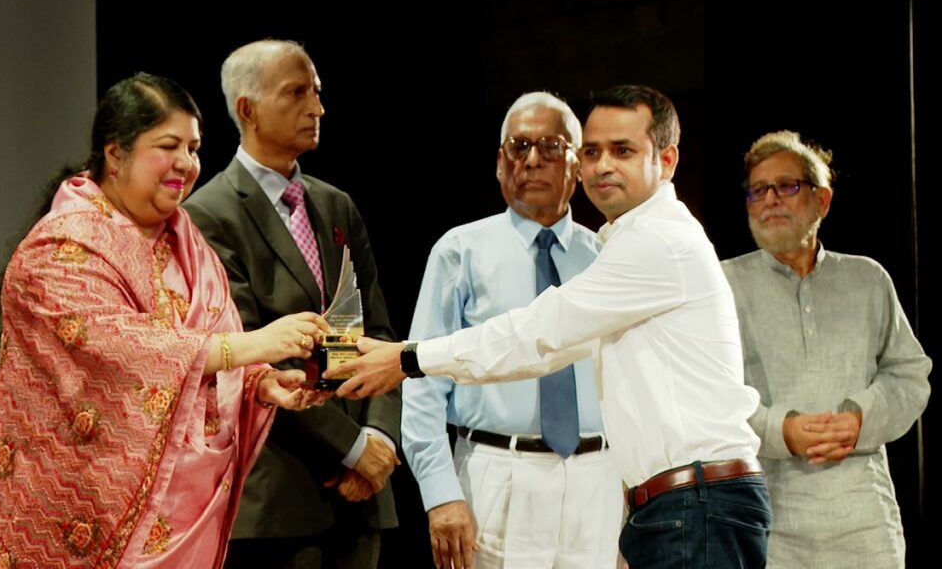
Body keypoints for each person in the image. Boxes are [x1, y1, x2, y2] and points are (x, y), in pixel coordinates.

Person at [329, 84, 773, 568]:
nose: (602, 166)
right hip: (642, 494)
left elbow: (539, 334)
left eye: (623, 151)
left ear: (666, 161)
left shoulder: (652, 243)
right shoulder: (478, 247)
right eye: (594, 152)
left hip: (687, 498)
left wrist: (409, 357)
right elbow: (551, 348)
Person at [0, 73, 329, 569]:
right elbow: (126, 348)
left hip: (187, 512)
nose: (186, 162)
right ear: (115, 154)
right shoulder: (59, 249)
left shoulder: (187, 241)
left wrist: (259, 383)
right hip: (85, 516)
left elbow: (212, 340)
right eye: (168, 146)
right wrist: (256, 346)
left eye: (194, 148)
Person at [183, 40, 399, 569]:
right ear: (248, 109)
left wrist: (378, 439)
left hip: (361, 499)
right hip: (280, 497)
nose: (317, 108)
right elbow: (250, 358)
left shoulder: (335, 205)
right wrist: (351, 449)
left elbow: (376, 332)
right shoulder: (208, 214)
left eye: (317, 92)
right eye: (297, 93)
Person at [403, 92, 621, 569]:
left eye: (550, 146)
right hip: (494, 472)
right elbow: (422, 385)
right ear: (500, 163)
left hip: (599, 479)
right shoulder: (460, 251)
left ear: (578, 164)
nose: (532, 160)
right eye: (518, 147)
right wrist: (440, 494)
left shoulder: (609, 257)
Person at [721, 130, 931, 567]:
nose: (770, 200)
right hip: (767, 518)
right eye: (758, 190)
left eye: (786, 186)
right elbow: (707, 393)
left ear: (823, 201)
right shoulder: (722, 284)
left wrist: (860, 419)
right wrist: (781, 430)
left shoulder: (867, 278)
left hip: (863, 518)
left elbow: (909, 375)